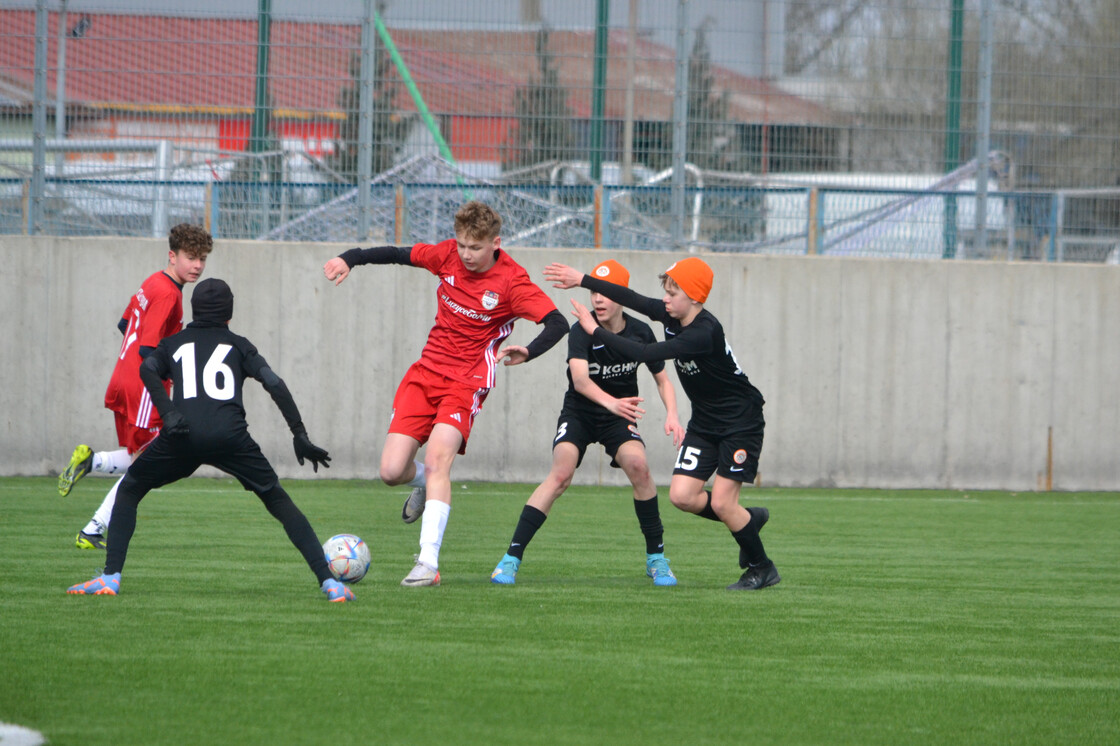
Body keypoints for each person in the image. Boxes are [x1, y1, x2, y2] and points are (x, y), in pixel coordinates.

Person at [323, 201, 569, 587]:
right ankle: (426, 484)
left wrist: (530, 350)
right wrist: (350, 258)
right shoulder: (447, 256)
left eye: (475, 248)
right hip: (424, 375)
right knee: (390, 472)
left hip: (467, 382)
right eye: (462, 246)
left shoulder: (512, 282)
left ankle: (427, 563)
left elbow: (557, 322)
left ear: (496, 243)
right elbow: (399, 254)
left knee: (439, 460)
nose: (466, 255)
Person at [66, 279, 351, 602]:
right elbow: (274, 382)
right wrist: (299, 435)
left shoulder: (174, 343)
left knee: (130, 489)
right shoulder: (239, 344)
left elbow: (147, 368)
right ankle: (330, 583)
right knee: (278, 501)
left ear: (193, 309)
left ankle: (110, 577)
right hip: (232, 438)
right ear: (229, 314)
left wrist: (169, 413)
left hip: (182, 436)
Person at [543, 257, 779, 591]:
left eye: (673, 292)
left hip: (740, 421)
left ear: (695, 297)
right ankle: (748, 521)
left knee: (725, 502)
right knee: (683, 496)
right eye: (665, 291)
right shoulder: (672, 314)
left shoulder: (704, 331)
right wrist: (583, 279)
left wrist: (594, 330)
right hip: (706, 421)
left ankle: (762, 567)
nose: (665, 299)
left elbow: (643, 353)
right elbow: (634, 299)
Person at [490, 259, 685, 587]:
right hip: (580, 412)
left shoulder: (640, 331)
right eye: (593, 292)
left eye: (605, 293)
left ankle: (657, 559)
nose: (597, 299)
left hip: (617, 418)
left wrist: (673, 414)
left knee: (639, 465)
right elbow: (580, 381)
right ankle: (510, 558)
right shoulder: (582, 329)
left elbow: (663, 379)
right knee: (561, 474)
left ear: (619, 296)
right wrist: (612, 402)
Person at [58, 223, 213, 550]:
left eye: (202, 259)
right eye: (191, 257)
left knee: (142, 457)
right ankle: (93, 528)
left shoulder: (152, 282)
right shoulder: (169, 293)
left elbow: (124, 324)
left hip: (122, 379)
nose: (197, 265)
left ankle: (92, 463)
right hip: (143, 388)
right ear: (173, 256)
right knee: (150, 463)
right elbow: (148, 351)